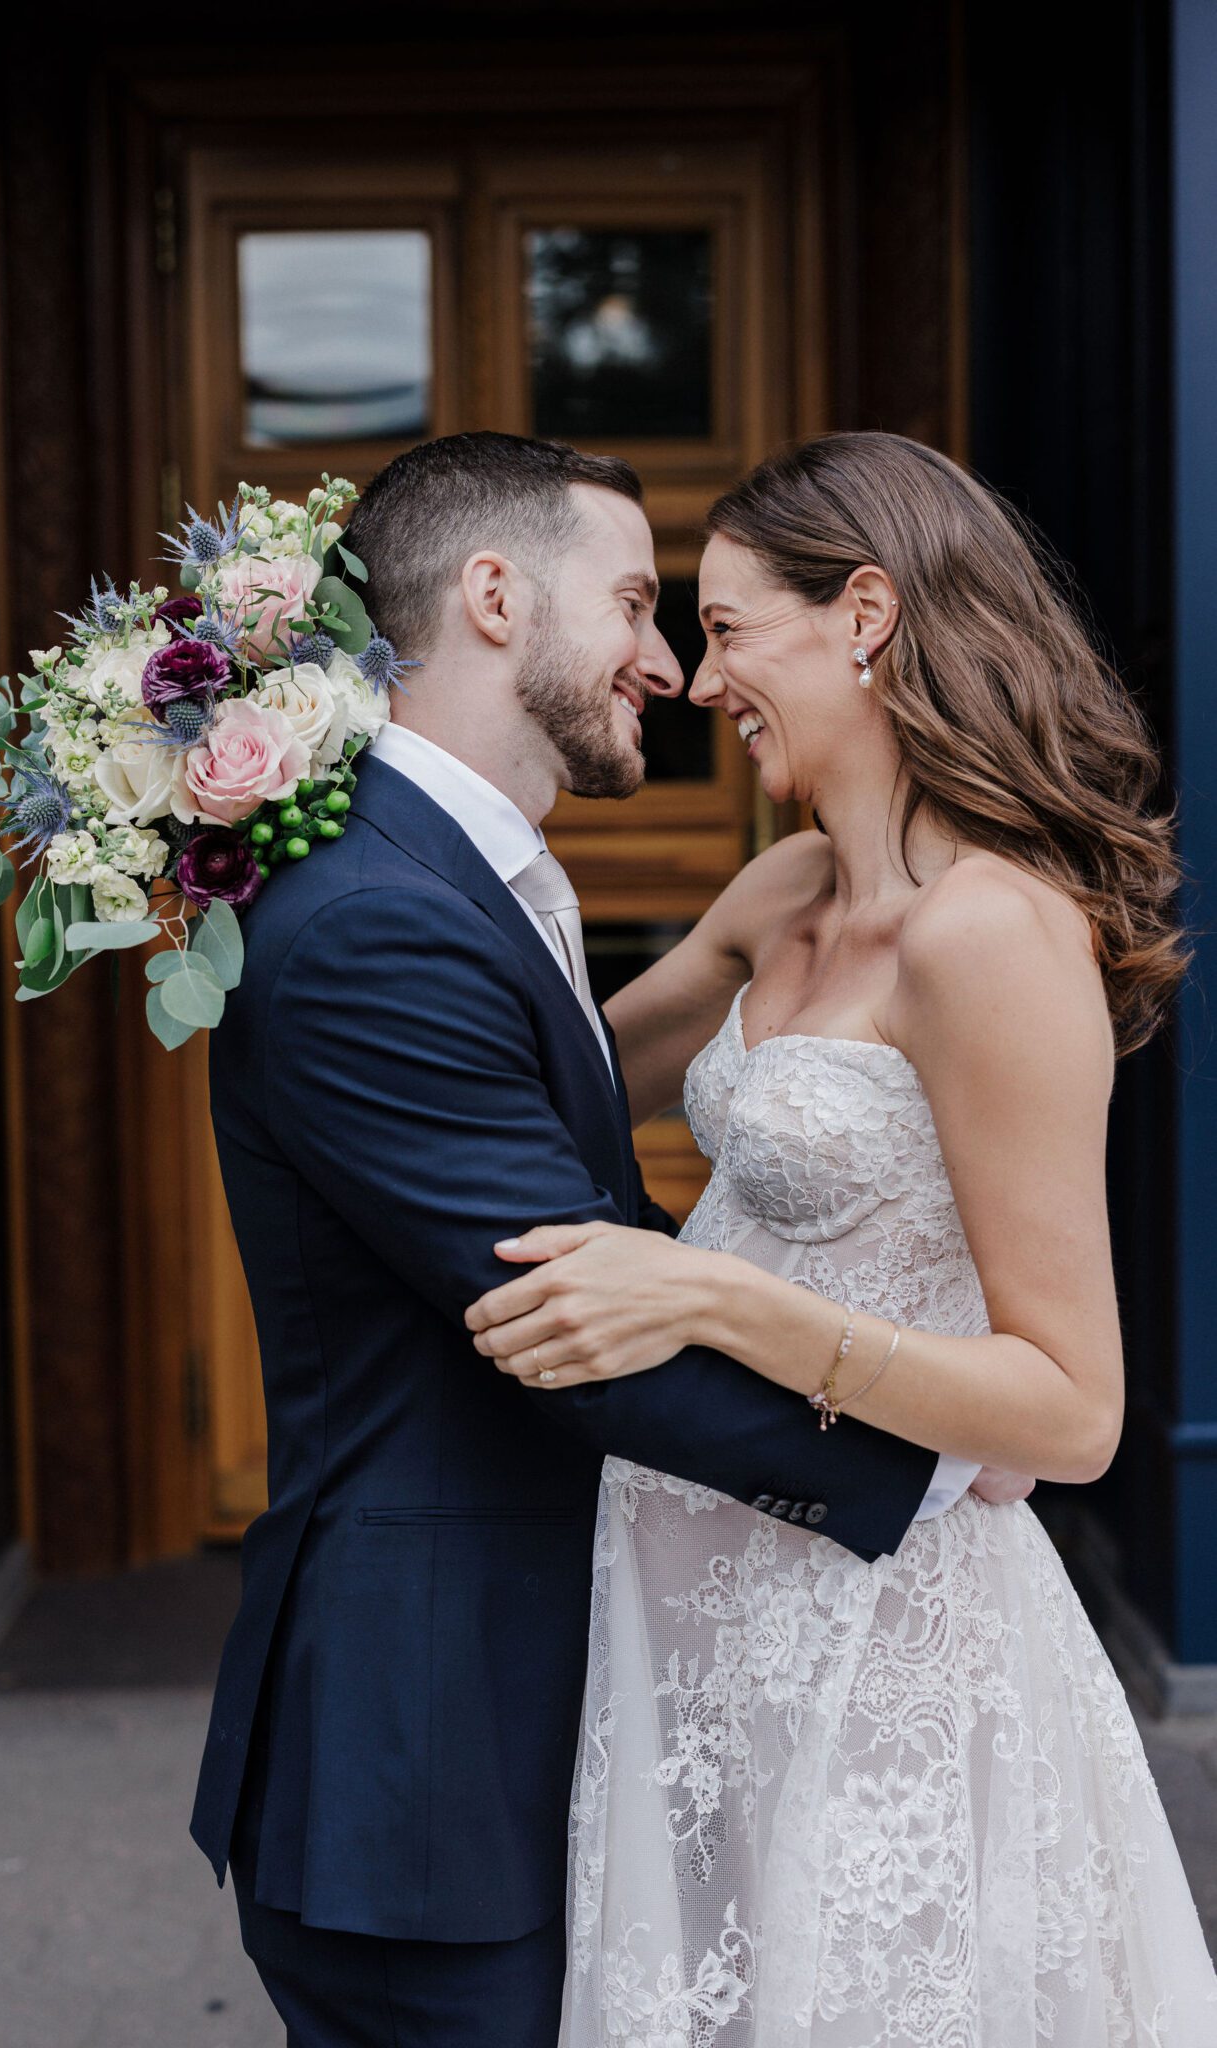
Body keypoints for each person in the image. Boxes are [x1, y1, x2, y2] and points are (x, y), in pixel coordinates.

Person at [189, 431, 1019, 2048]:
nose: (668, 664)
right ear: (493, 599)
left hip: (556, 1701)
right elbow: (575, 1324)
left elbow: (580, 1145)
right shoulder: (378, 919)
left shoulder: (473, 876)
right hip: (427, 1757)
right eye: (640, 606)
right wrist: (937, 1466)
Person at [464, 432, 1217, 2044]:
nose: (692, 673)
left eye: (728, 628)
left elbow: (1071, 1411)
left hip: (886, 1635)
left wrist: (720, 1299)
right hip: (683, 1606)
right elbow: (536, 1086)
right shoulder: (784, 887)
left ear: (863, 615)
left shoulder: (992, 935)